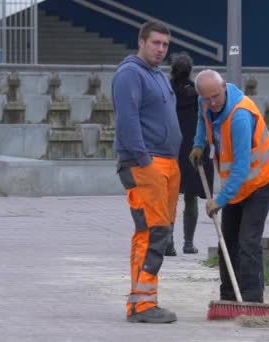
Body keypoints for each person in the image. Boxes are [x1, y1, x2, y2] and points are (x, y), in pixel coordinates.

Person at [189, 69, 269, 303]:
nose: (212, 103)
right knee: (227, 239)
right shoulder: (205, 102)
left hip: (260, 179)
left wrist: (219, 201)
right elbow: (203, 119)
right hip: (238, 183)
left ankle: (252, 300)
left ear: (224, 87)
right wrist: (198, 143)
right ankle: (229, 297)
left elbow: (242, 168)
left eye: (215, 97)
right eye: (207, 98)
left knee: (248, 241)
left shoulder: (240, 116)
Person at [112, 21, 181, 323]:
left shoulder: (158, 76)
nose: (161, 49)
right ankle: (141, 306)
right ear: (141, 41)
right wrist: (144, 161)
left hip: (166, 161)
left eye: (165, 45)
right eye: (156, 43)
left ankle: (144, 301)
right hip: (145, 163)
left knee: (159, 233)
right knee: (151, 232)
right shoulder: (129, 74)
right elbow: (127, 121)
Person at [167, 52, 214, 256]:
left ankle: (168, 242)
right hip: (194, 151)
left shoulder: (166, 93)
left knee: (169, 197)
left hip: (170, 149)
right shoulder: (198, 95)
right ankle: (188, 243)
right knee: (191, 196)